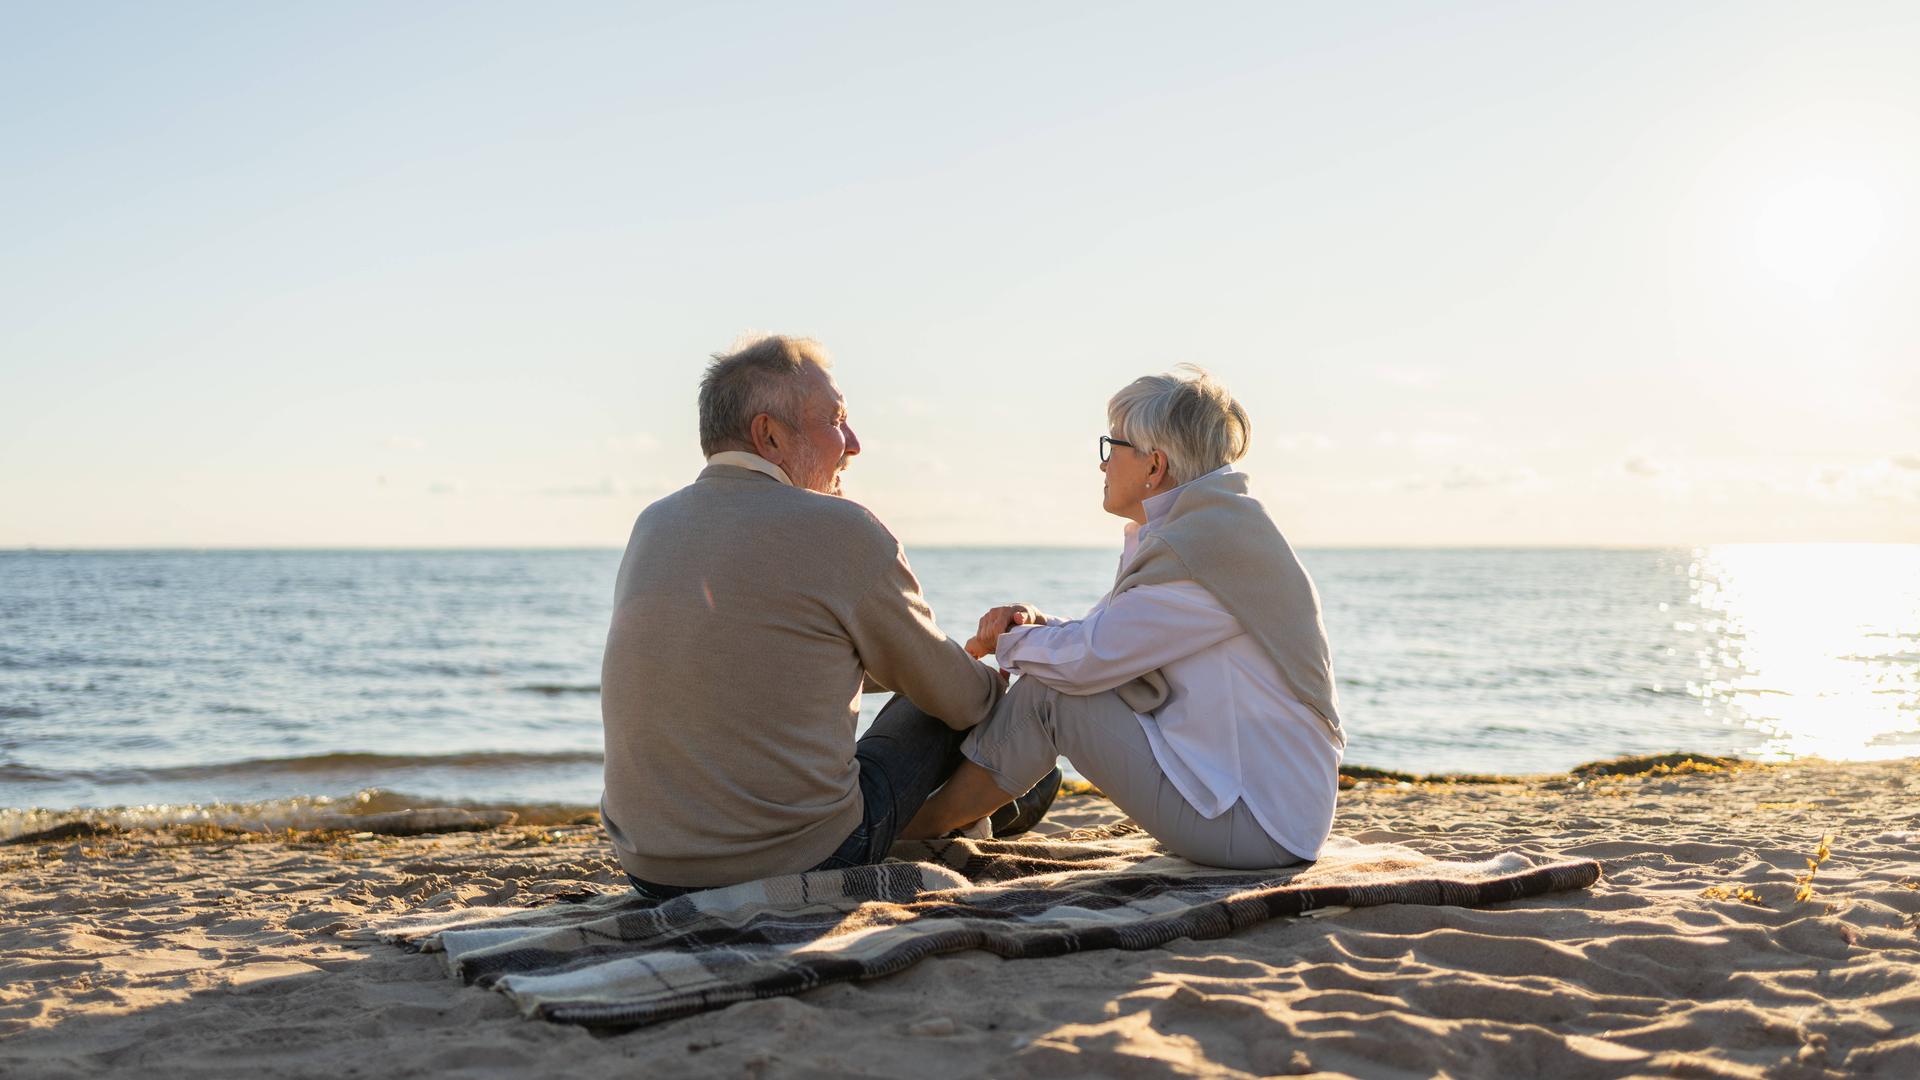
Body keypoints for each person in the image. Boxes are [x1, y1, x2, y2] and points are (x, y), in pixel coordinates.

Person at [599, 335, 1047, 900]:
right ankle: (1004, 798)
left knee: (935, 681)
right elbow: (958, 700)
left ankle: (976, 801)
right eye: (836, 421)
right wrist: (990, 676)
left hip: (651, 866)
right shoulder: (842, 528)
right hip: (795, 858)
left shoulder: (653, 525)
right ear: (770, 435)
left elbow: (777, 661)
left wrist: (946, 659)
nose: (854, 444)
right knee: (956, 702)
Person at [902, 366, 1346, 868]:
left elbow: (1090, 659)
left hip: (1257, 829)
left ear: (1153, 466)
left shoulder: (1201, 552)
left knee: (1052, 695)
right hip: (1270, 814)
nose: (1102, 465)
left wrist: (1006, 644)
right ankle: (946, 820)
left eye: (1110, 446)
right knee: (1052, 680)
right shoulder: (1211, 531)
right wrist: (1032, 626)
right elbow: (1110, 639)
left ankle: (918, 828)